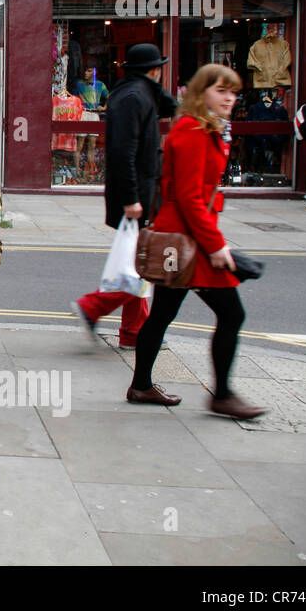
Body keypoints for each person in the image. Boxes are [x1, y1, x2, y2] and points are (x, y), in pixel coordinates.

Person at [126, 63, 266, 420]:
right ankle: (221, 395)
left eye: (233, 92)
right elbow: (189, 198)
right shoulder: (192, 131)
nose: (230, 98)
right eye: (221, 90)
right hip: (189, 241)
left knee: (161, 315)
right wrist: (217, 247)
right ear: (201, 92)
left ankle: (141, 385)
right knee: (232, 314)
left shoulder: (205, 129)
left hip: (187, 236)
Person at [72, 43, 177, 347]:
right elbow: (122, 153)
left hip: (142, 192)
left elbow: (171, 107)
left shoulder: (138, 92)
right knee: (142, 265)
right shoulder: (133, 97)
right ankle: (92, 307)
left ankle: (133, 332)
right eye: (159, 70)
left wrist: (153, 84)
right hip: (137, 194)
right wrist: (132, 199)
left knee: (139, 261)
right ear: (155, 70)